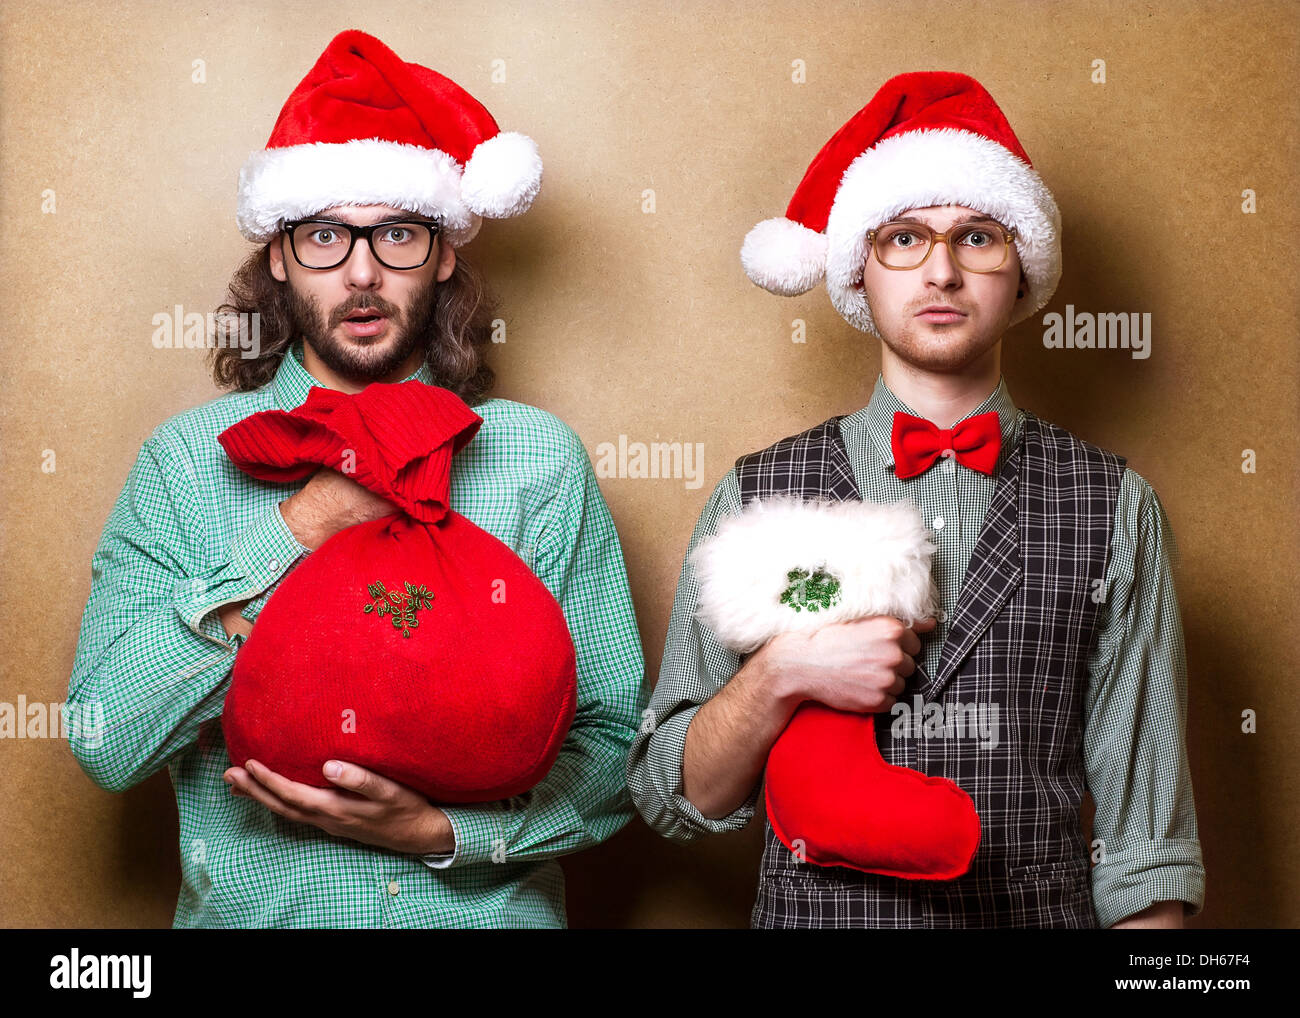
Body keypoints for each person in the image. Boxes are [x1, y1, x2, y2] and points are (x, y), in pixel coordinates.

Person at [66, 29, 643, 929]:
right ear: (278, 255)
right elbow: (105, 740)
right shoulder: (183, 462)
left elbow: (616, 747)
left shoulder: (537, 460)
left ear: (445, 251)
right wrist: (297, 531)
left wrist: (450, 832)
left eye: (398, 234)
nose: (363, 272)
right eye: (327, 236)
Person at [627, 71, 1205, 928]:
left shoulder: (1116, 505)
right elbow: (673, 794)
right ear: (861, 270)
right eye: (904, 237)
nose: (941, 268)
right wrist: (783, 674)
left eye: (977, 236)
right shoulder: (756, 494)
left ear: (1023, 273)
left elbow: (1145, 847)